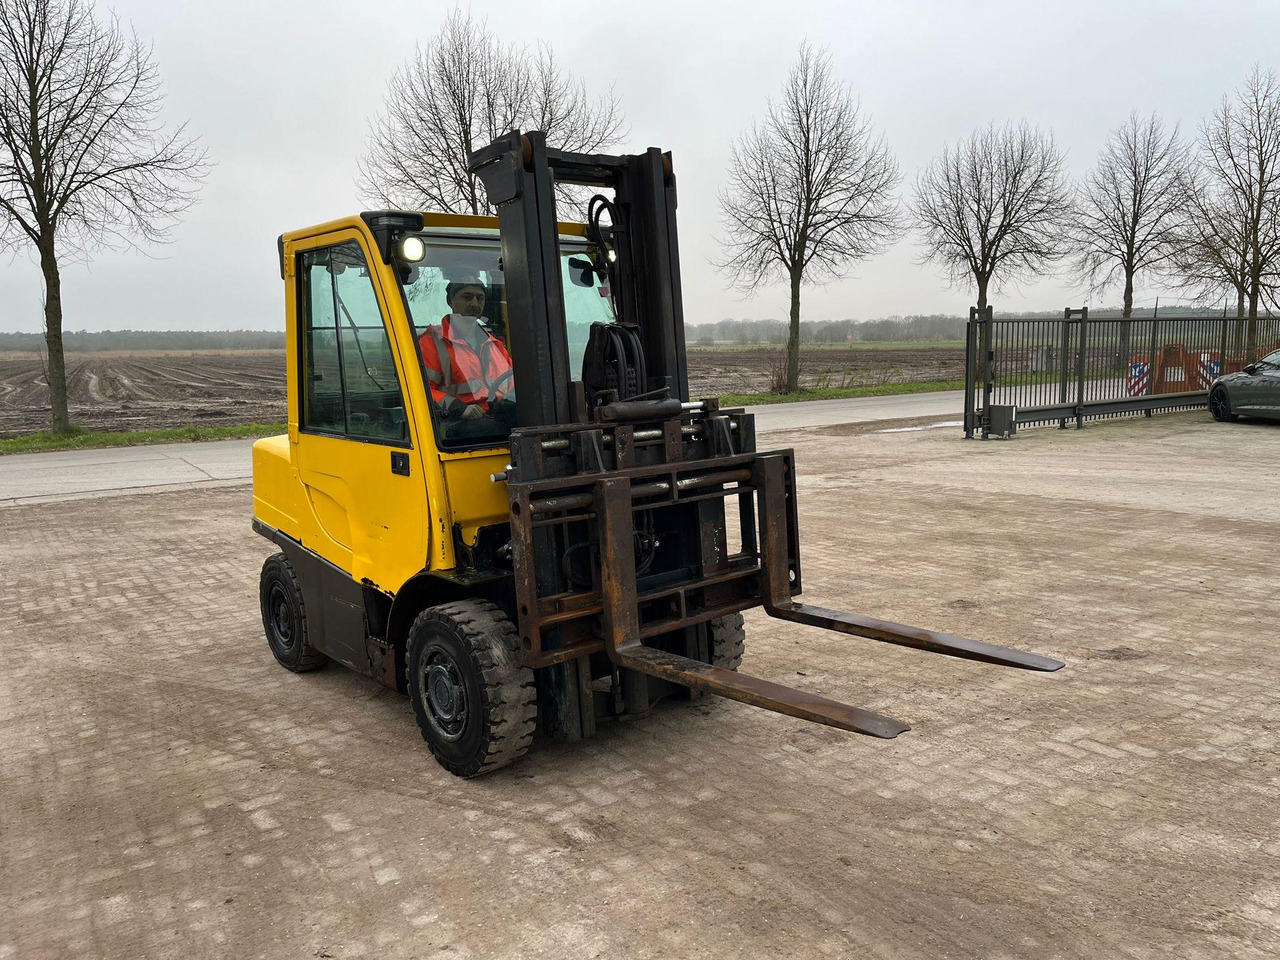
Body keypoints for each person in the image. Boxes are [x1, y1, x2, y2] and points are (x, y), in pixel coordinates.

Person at [417, 278, 516, 433]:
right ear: (451, 301)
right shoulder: (432, 343)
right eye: (467, 297)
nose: (474, 304)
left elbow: (515, 382)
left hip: (498, 418)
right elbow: (420, 389)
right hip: (453, 422)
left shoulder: (495, 344)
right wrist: (458, 408)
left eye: (480, 298)